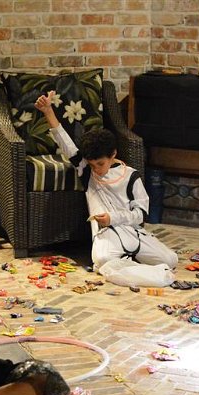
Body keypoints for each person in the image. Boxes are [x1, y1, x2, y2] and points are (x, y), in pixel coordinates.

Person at [33, 91, 178, 284]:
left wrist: (113, 218)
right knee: (102, 260)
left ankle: (128, 265)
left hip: (133, 233)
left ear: (113, 154)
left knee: (170, 260)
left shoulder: (131, 176)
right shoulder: (87, 172)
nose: (97, 169)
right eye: (92, 164)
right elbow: (64, 142)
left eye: (100, 164)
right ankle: (130, 265)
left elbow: (141, 214)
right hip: (107, 235)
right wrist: (48, 111)